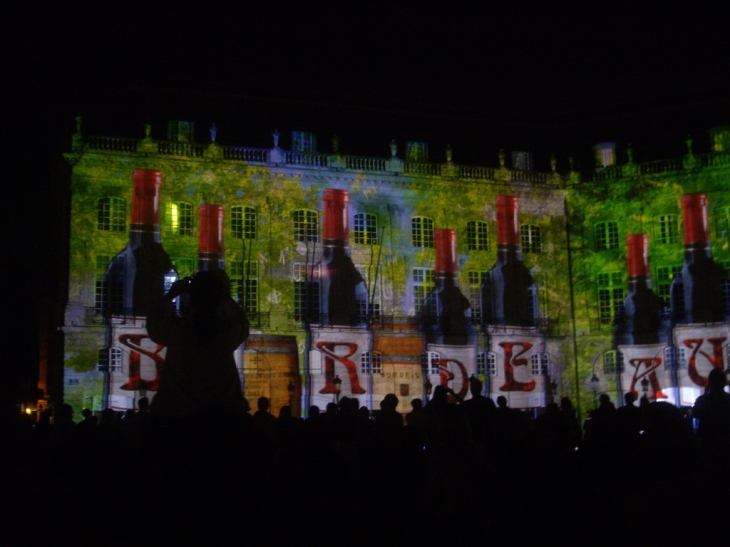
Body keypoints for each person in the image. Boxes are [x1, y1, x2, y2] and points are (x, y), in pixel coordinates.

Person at [147, 270, 249, 418]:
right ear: (218, 299)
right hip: (221, 419)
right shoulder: (225, 333)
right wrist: (224, 296)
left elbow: (153, 322)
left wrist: (172, 294)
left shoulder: (178, 332)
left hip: (180, 417)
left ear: (191, 298)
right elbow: (242, 324)